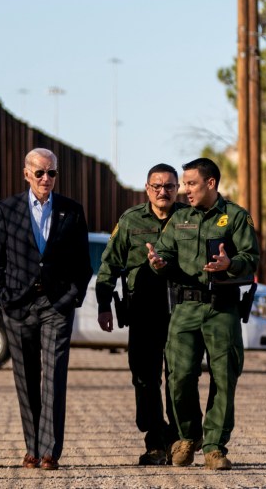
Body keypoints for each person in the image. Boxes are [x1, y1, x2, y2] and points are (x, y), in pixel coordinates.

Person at [146, 157, 260, 471]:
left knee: (224, 379)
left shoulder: (235, 217)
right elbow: (166, 252)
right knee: (179, 378)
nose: (185, 190)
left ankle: (214, 447)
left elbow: (251, 258)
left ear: (211, 183)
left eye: (191, 183)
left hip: (222, 307)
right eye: (184, 184)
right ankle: (187, 436)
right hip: (184, 309)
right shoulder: (180, 219)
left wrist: (230, 264)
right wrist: (158, 261)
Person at [0, 147, 92, 471]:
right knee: (26, 378)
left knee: (54, 377)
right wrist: (3, 298)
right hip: (18, 305)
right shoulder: (7, 209)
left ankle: (49, 451)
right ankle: (31, 447)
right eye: (40, 173)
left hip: (56, 306)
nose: (46, 179)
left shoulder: (71, 211)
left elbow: (82, 264)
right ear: (26, 173)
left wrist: (71, 298)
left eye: (52, 173)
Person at [95, 163, 187, 466]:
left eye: (170, 186)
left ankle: (178, 440)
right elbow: (109, 263)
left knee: (179, 378)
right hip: (144, 311)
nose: (163, 192)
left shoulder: (189, 219)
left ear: (178, 188)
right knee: (145, 378)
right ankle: (154, 442)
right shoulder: (131, 220)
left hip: (182, 312)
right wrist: (104, 304)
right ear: (147, 189)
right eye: (157, 186)